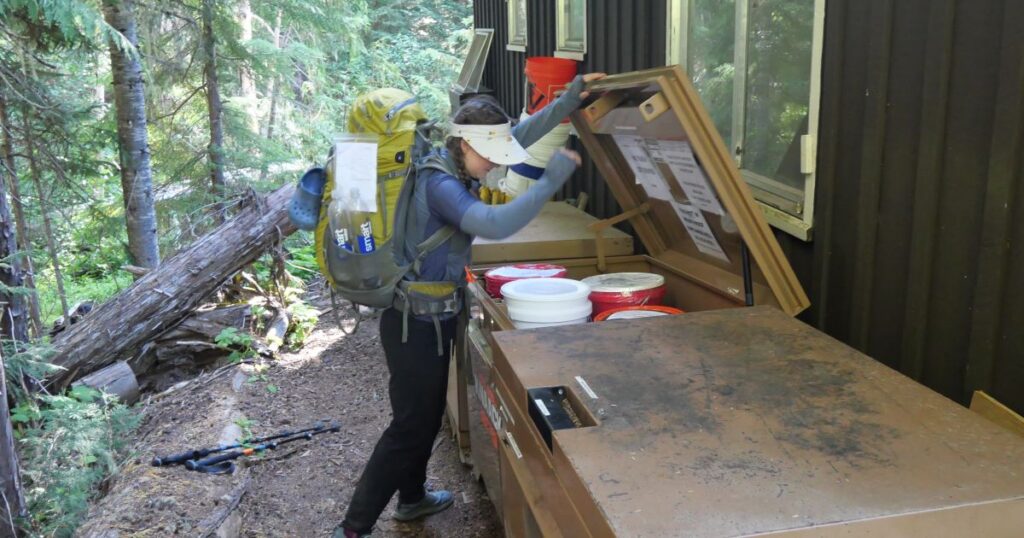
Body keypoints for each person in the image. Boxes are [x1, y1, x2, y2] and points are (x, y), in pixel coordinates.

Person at [334, 72, 607, 538]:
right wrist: (549, 180)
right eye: (492, 157)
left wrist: (568, 99)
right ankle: (352, 528)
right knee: (408, 428)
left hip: (431, 320)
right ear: (466, 144)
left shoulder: (455, 159)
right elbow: (494, 223)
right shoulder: (440, 184)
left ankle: (412, 498)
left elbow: (520, 135)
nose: (496, 166)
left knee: (419, 417)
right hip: (413, 326)